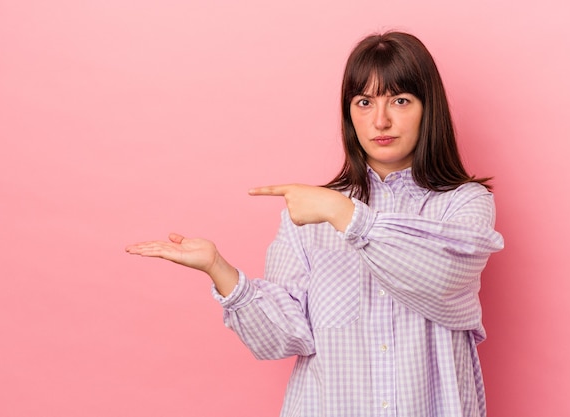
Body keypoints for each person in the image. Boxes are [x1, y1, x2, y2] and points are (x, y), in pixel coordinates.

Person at [125, 31, 504, 417]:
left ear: (429, 109)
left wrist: (346, 215)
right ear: (349, 113)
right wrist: (219, 270)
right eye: (364, 102)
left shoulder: (464, 203)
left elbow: (441, 278)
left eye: (400, 100)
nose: (381, 119)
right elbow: (282, 337)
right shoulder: (308, 214)